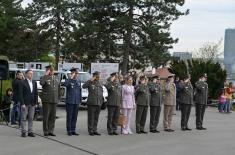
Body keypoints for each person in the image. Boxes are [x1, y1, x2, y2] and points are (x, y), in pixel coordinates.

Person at [40, 65, 60, 136]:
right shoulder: (44, 77)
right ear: (47, 71)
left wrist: (58, 98)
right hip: (47, 100)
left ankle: (51, 130)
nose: (52, 71)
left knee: (52, 116)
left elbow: (59, 89)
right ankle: (45, 131)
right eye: (50, 70)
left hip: (54, 100)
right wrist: (45, 75)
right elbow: (41, 83)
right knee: (46, 116)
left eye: (52, 70)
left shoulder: (56, 78)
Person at [82, 71, 103, 136]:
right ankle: (90, 130)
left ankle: (95, 130)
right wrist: (90, 80)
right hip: (91, 102)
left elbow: (101, 92)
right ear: (94, 76)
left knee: (96, 118)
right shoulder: (90, 82)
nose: (99, 77)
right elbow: (83, 86)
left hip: (98, 102)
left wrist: (101, 101)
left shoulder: (100, 83)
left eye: (99, 76)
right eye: (97, 76)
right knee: (91, 117)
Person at [19, 70, 38, 137]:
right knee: (24, 118)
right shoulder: (22, 82)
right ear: (26, 74)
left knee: (31, 118)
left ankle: (30, 131)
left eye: (32, 73)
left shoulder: (34, 82)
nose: (31, 75)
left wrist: (36, 103)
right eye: (30, 73)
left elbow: (36, 93)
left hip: (32, 103)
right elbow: (20, 94)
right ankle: (23, 132)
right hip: (25, 103)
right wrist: (22, 103)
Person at [64, 68, 82, 136]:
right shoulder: (68, 80)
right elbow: (66, 85)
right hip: (70, 101)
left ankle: (73, 130)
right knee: (69, 116)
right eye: (75, 73)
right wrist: (71, 78)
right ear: (72, 73)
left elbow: (79, 91)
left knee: (75, 116)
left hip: (76, 101)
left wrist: (80, 100)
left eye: (77, 73)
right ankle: (69, 130)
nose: (77, 75)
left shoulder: (78, 81)